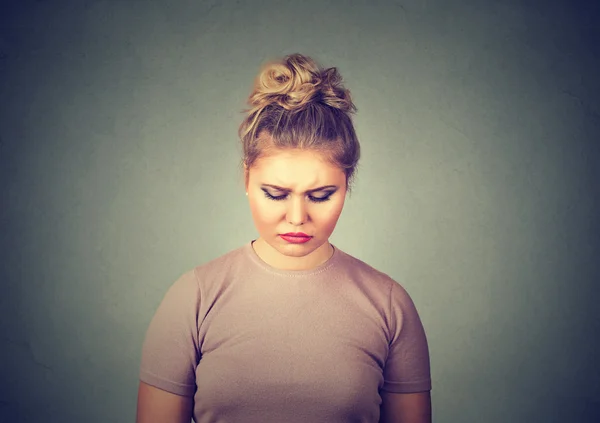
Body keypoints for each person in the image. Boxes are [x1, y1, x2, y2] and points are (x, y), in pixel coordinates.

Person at [136, 53, 432, 423]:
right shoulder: (193, 299)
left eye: (321, 195)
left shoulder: (390, 307)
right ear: (246, 179)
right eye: (276, 194)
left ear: (347, 184)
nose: (297, 218)